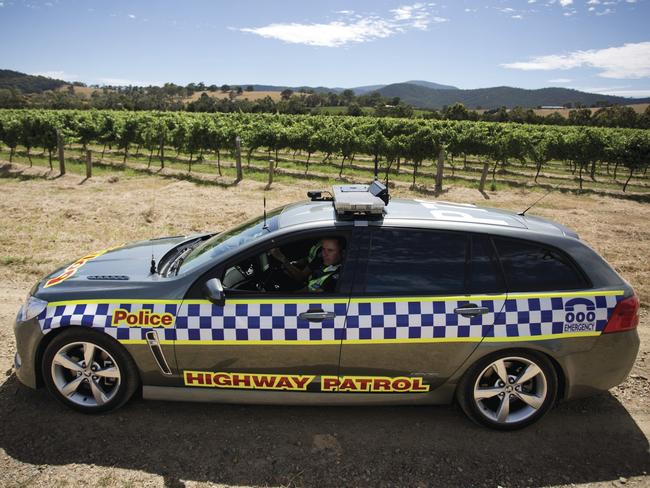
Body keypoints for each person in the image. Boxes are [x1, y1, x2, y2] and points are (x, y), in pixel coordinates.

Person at [270, 238, 344, 293]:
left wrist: (283, 259)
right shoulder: (321, 259)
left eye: (330, 250)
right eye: (323, 249)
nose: (324, 254)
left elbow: (303, 292)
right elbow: (303, 276)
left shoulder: (338, 277)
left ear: (342, 253)